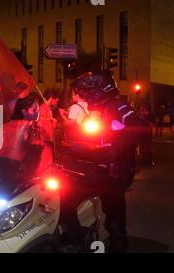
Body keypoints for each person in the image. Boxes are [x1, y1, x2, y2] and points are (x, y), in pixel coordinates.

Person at [60, 71, 151, 252]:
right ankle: (92, 239)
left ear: (100, 90)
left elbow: (142, 127)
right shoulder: (101, 109)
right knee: (112, 214)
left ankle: (83, 238)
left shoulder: (116, 106)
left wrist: (114, 148)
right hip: (104, 171)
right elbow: (99, 137)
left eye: (87, 92)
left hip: (113, 173)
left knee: (69, 198)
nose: (85, 97)